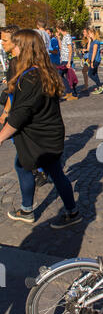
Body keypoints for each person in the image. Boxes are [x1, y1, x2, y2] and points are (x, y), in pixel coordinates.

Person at [0, 29, 82, 229]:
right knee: (50, 170)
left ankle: (31, 210)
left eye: (16, 44)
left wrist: (1, 136)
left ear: (26, 48)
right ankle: (69, 211)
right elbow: (21, 103)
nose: (12, 48)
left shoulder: (31, 77)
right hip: (47, 133)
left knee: (32, 168)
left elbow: (20, 114)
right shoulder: (42, 70)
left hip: (39, 138)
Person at [56, 23, 78, 100]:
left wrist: (69, 62)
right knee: (66, 76)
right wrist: (58, 38)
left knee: (61, 75)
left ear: (59, 29)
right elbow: (62, 47)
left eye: (57, 29)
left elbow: (70, 49)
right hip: (64, 59)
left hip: (66, 60)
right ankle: (70, 92)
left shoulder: (67, 36)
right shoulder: (64, 37)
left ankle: (72, 93)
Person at [87, 28, 103, 95]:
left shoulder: (96, 42)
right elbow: (88, 49)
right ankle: (99, 87)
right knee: (95, 74)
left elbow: (94, 52)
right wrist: (89, 40)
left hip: (95, 60)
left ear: (93, 33)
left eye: (89, 33)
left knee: (90, 74)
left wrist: (92, 62)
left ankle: (100, 85)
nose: (88, 34)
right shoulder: (92, 41)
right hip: (93, 60)